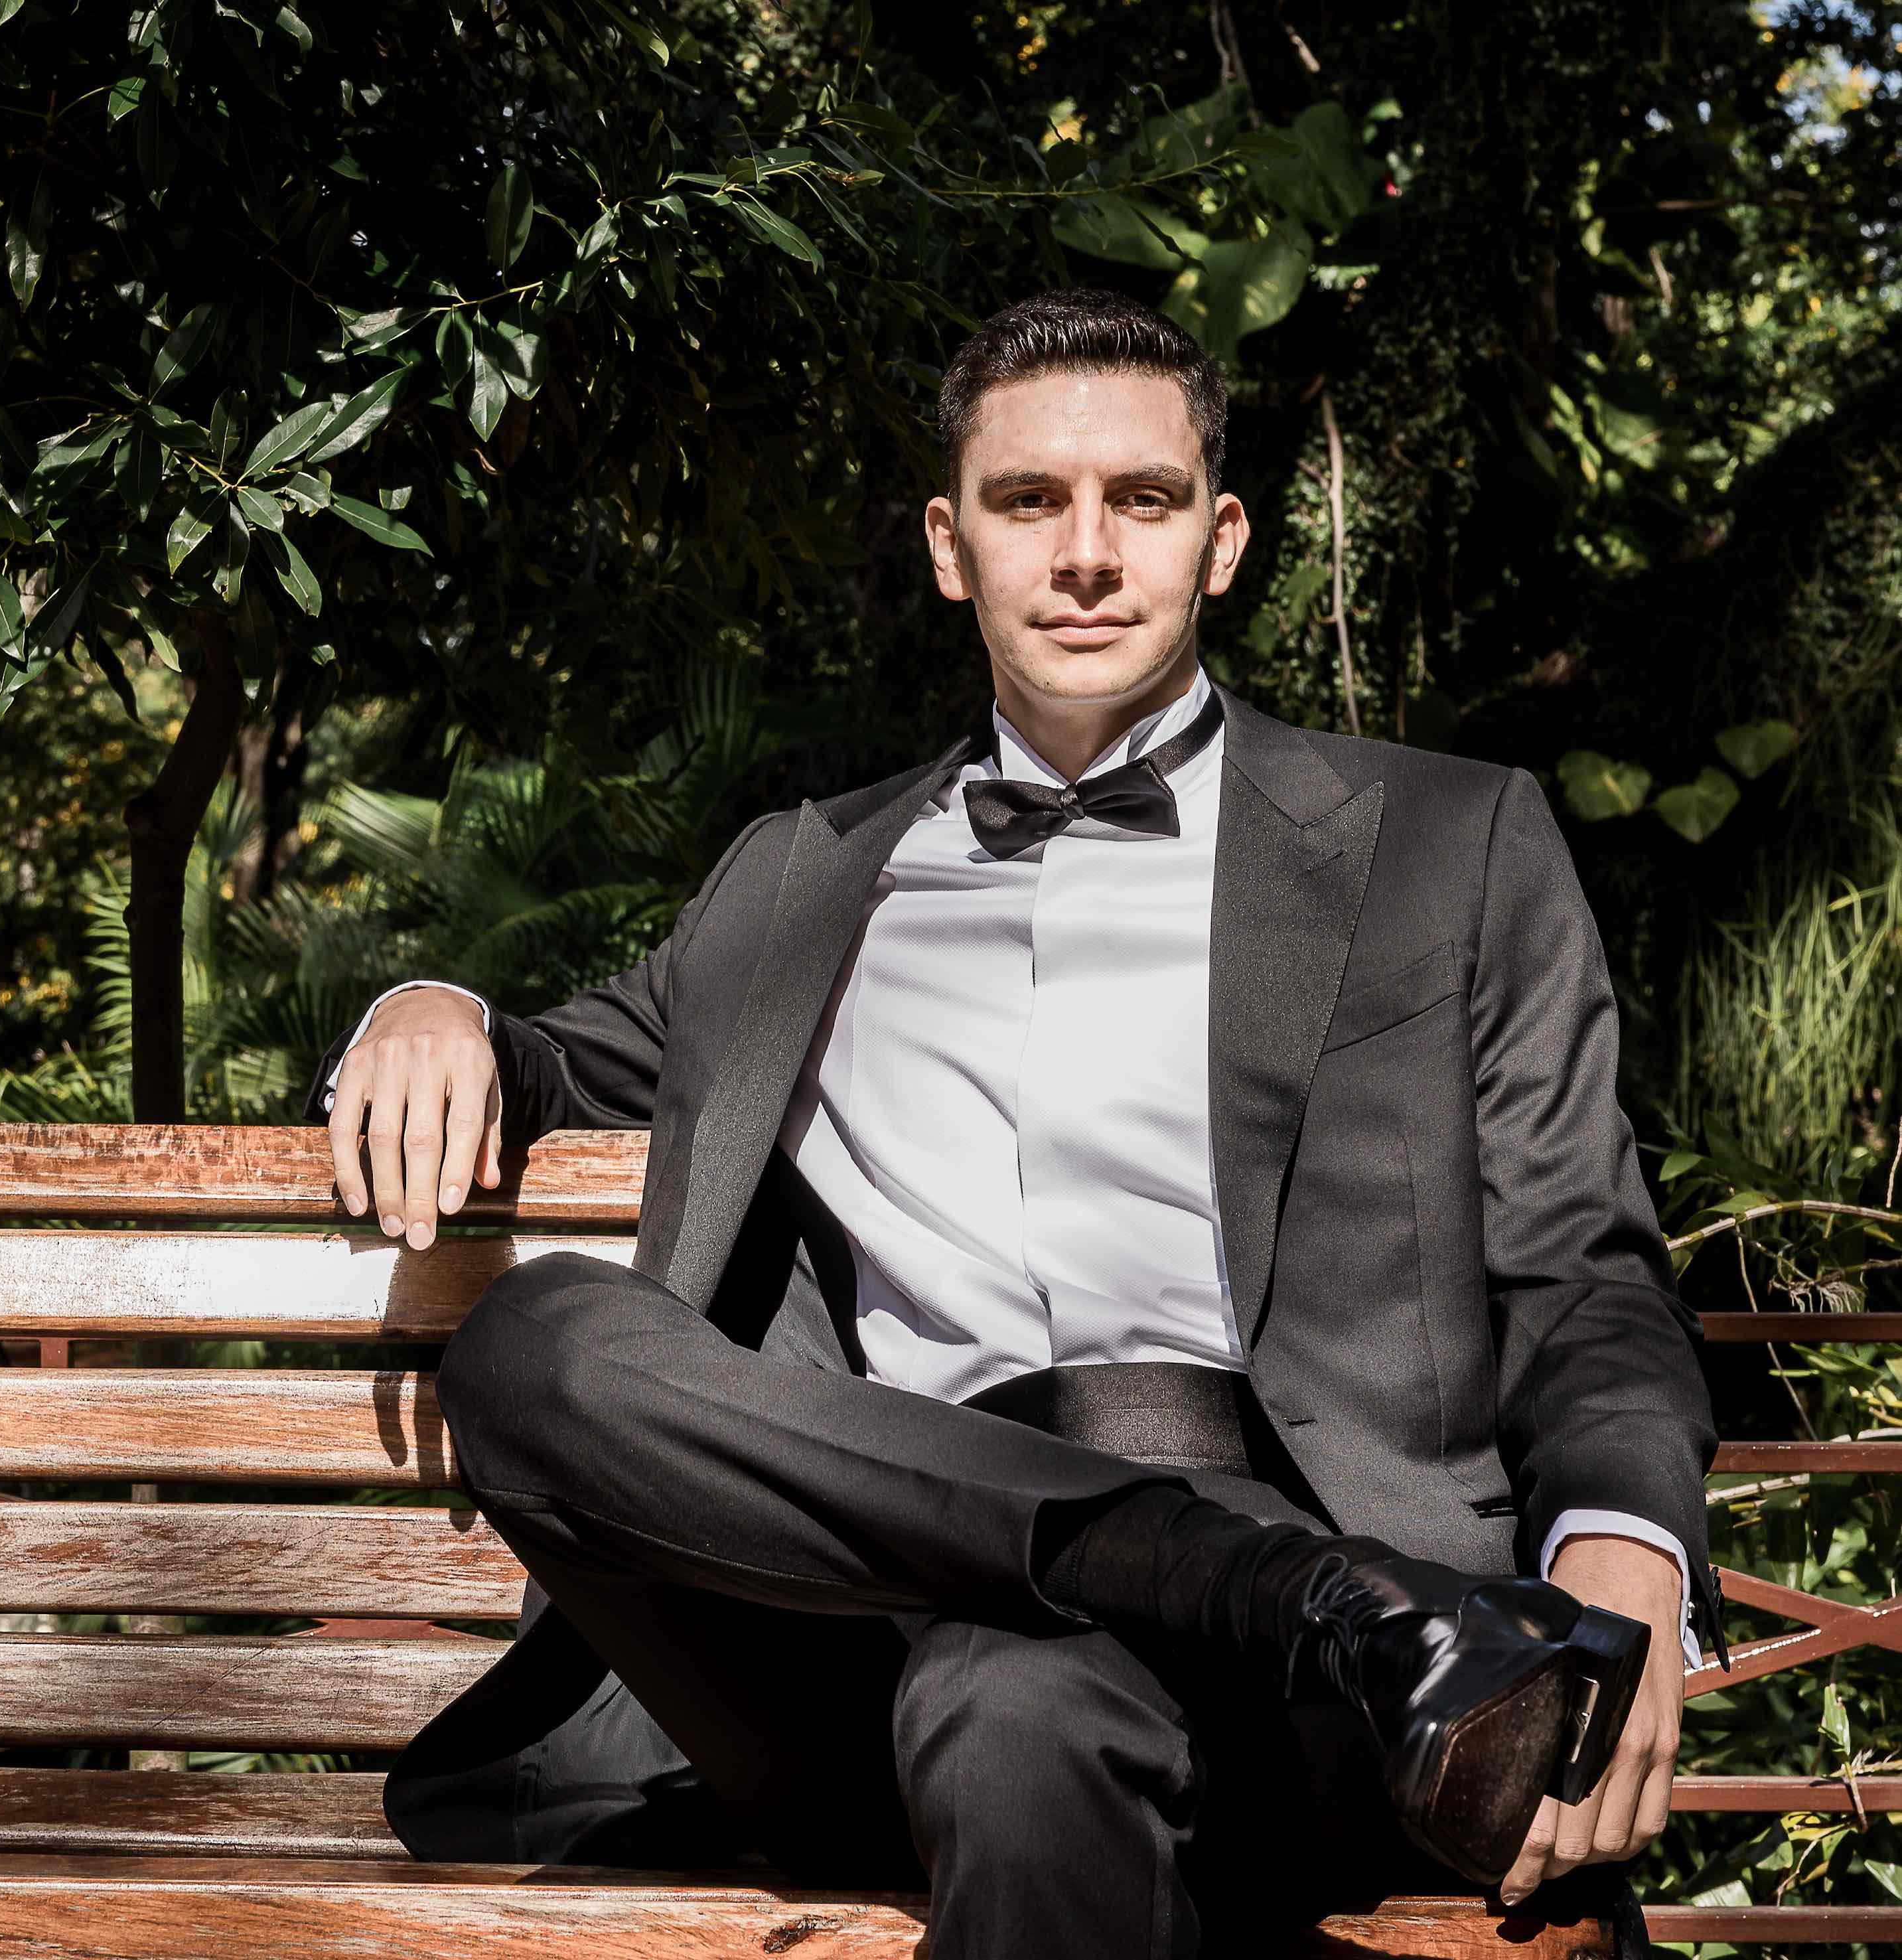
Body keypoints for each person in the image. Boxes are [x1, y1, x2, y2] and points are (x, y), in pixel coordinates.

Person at [303, 287, 1726, 1959]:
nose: (1088, 554)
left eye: (1145, 499)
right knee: (533, 1343)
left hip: (1325, 1678)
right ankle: (1299, 1599)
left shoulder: (1450, 843)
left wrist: (1625, 1545)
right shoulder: (794, 880)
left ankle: (1295, 1594)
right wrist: (433, 1007)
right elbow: (562, 1057)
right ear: (948, 545)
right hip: (877, 1620)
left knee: (1020, 1714)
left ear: (1222, 540)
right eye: (1030, 500)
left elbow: (1584, 1268)